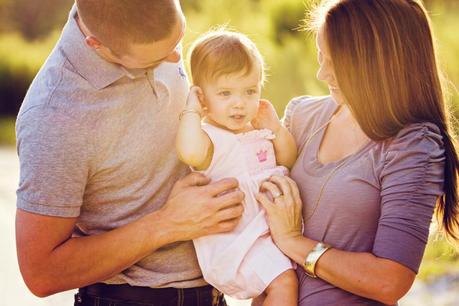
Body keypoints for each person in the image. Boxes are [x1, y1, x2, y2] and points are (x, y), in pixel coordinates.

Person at [15, 1, 245, 305]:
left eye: (179, 39)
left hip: (212, 293)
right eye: (156, 60)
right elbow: (41, 272)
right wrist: (167, 224)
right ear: (99, 46)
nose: (176, 57)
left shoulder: (147, 26)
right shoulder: (53, 116)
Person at [255, 0, 459, 305]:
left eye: (335, 62)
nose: (323, 74)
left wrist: (293, 242)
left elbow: (390, 280)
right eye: (321, 56)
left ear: (377, 62)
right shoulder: (301, 115)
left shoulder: (413, 145)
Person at [176, 30, 298, 305]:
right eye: (225, 93)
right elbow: (188, 151)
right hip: (237, 242)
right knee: (284, 283)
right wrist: (192, 111)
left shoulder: (257, 131)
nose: (239, 103)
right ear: (202, 97)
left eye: (250, 91)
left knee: (270, 291)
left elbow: (288, 159)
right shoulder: (209, 140)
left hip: (265, 235)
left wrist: (277, 130)